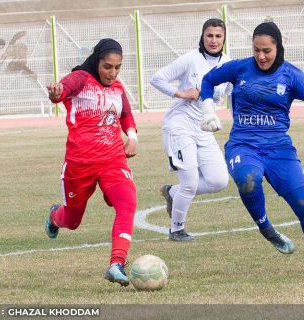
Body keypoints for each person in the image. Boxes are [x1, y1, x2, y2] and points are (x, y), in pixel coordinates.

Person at [199, 21, 304, 273]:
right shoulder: (240, 68)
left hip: (279, 150)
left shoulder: (290, 74)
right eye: (256, 49)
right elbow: (208, 80)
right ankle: (266, 228)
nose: (261, 56)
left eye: (266, 50)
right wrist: (208, 110)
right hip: (243, 145)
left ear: (278, 47)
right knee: (248, 179)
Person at [45, 38, 138, 286]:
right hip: (79, 164)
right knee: (72, 222)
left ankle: (116, 263)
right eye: (108, 66)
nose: (113, 72)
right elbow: (63, 89)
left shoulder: (117, 88)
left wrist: (132, 137)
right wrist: (57, 92)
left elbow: (126, 115)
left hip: (112, 160)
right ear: (97, 61)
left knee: (127, 202)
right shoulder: (81, 79)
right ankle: (55, 216)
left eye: (118, 67)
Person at [150, 18, 231, 241]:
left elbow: (233, 96)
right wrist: (182, 94)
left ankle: (172, 192)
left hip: (204, 129)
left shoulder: (228, 65)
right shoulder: (190, 59)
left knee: (218, 180)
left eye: (218, 36)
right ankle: (177, 230)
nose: (214, 40)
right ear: (202, 37)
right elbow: (157, 79)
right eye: (209, 35)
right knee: (190, 182)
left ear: (224, 38)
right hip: (179, 126)